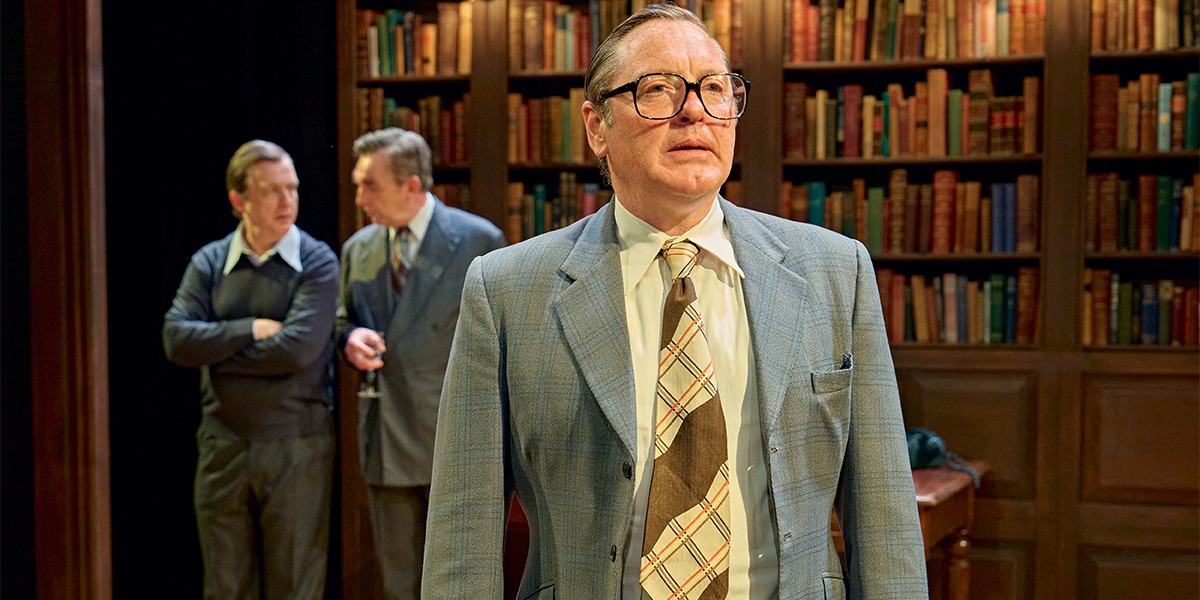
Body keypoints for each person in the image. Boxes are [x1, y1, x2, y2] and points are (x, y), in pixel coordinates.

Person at [423, 4, 928, 599]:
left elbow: (885, 514)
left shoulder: (835, 272)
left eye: (714, 88)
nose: (695, 109)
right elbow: (464, 533)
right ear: (597, 127)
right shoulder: (506, 290)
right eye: (658, 90)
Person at [336, 127, 506, 600]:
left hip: (453, 436)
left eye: (369, 184)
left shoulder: (477, 240)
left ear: (411, 185)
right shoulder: (359, 248)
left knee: (459, 582)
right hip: (386, 434)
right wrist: (350, 338)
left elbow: (504, 342)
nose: (359, 196)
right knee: (400, 582)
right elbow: (340, 321)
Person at [162, 139, 338, 600]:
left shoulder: (317, 262)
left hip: (295, 445)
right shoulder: (210, 261)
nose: (288, 201)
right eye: (272, 191)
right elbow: (177, 340)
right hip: (223, 445)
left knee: (295, 584)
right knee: (225, 585)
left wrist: (218, 350)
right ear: (238, 200)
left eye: (292, 188)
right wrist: (250, 329)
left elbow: (296, 351)